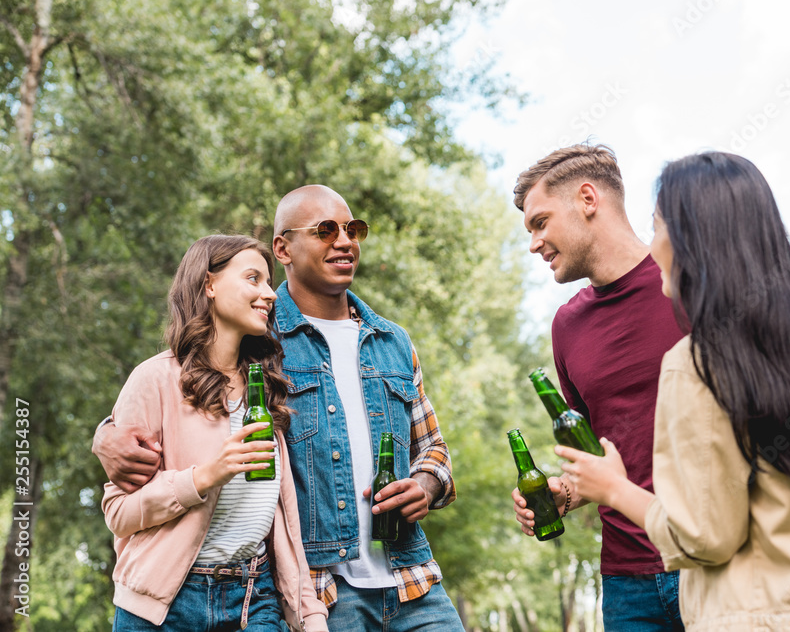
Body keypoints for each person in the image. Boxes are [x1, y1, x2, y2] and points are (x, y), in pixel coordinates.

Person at [558, 151, 790, 632]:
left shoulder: (697, 363)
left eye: (658, 229)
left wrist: (615, 489)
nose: (653, 248)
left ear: (692, 239)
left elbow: (706, 536)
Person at [95, 186, 464, 631]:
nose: (344, 241)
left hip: (413, 579)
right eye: (326, 230)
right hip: (326, 588)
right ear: (282, 248)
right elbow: (183, 379)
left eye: (353, 229)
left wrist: (425, 485)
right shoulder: (260, 339)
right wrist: (107, 434)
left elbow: (434, 449)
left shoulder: (393, 342)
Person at [102, 235, 327, 631]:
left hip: (254, 601)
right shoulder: (154, 379)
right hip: (165, 606)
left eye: (267, 281)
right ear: (208, 285)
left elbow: (284, 521)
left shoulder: (267, 385)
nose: (268, 294)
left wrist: (309, 615)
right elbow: (119, 515)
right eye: (253, 278)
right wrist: (205, 476)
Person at [510, 144, 687, 631]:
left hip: (707, 558)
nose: (534, 244)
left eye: (540, 223)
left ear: (588, 198)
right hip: (627, 584)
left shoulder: (690, 284)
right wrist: (562, 494)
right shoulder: (568, 325)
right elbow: (600, 453)